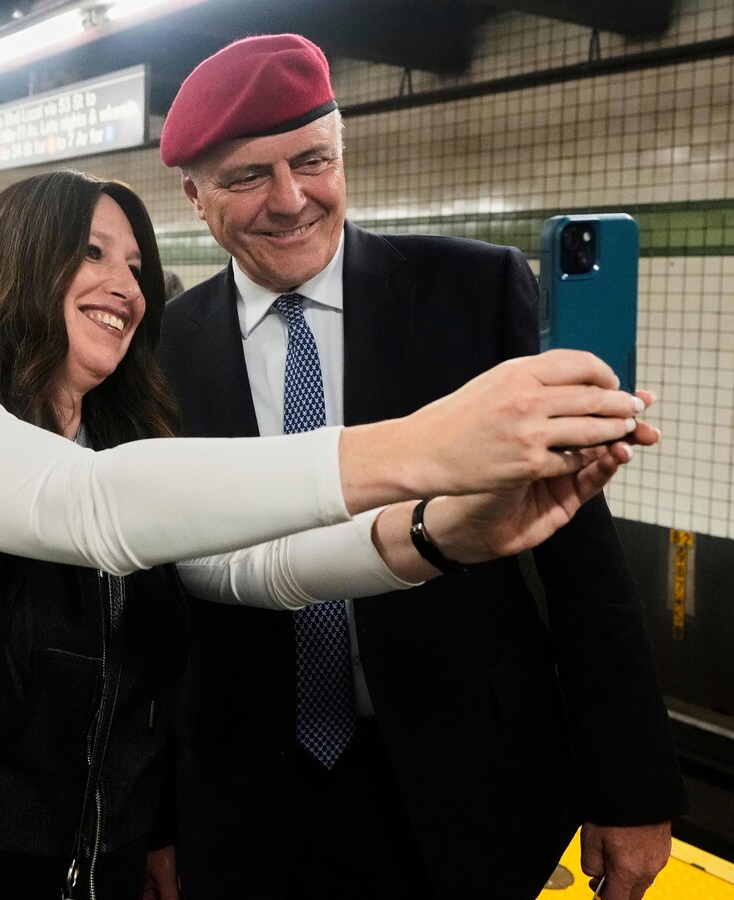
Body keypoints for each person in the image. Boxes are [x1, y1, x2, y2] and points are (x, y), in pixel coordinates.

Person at [0, 169, 653, 899]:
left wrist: (444, 532)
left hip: (80, 874)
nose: (126, 283)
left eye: (135, 265)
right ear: (15, 263)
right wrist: (425, 446)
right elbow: (90, 509)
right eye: (90, 253)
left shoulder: (110, 439)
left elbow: (249, 570)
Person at [154, 34, 686, 900]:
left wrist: (629, 785)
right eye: (248, 176)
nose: (290, 200)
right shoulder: (161, 351)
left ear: (342, 153)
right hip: (244, 799)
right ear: (195, 195)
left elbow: (581, 558)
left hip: (468, 777)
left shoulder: (471, 293)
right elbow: (157, 618)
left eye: (312, 161)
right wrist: (157, 822)